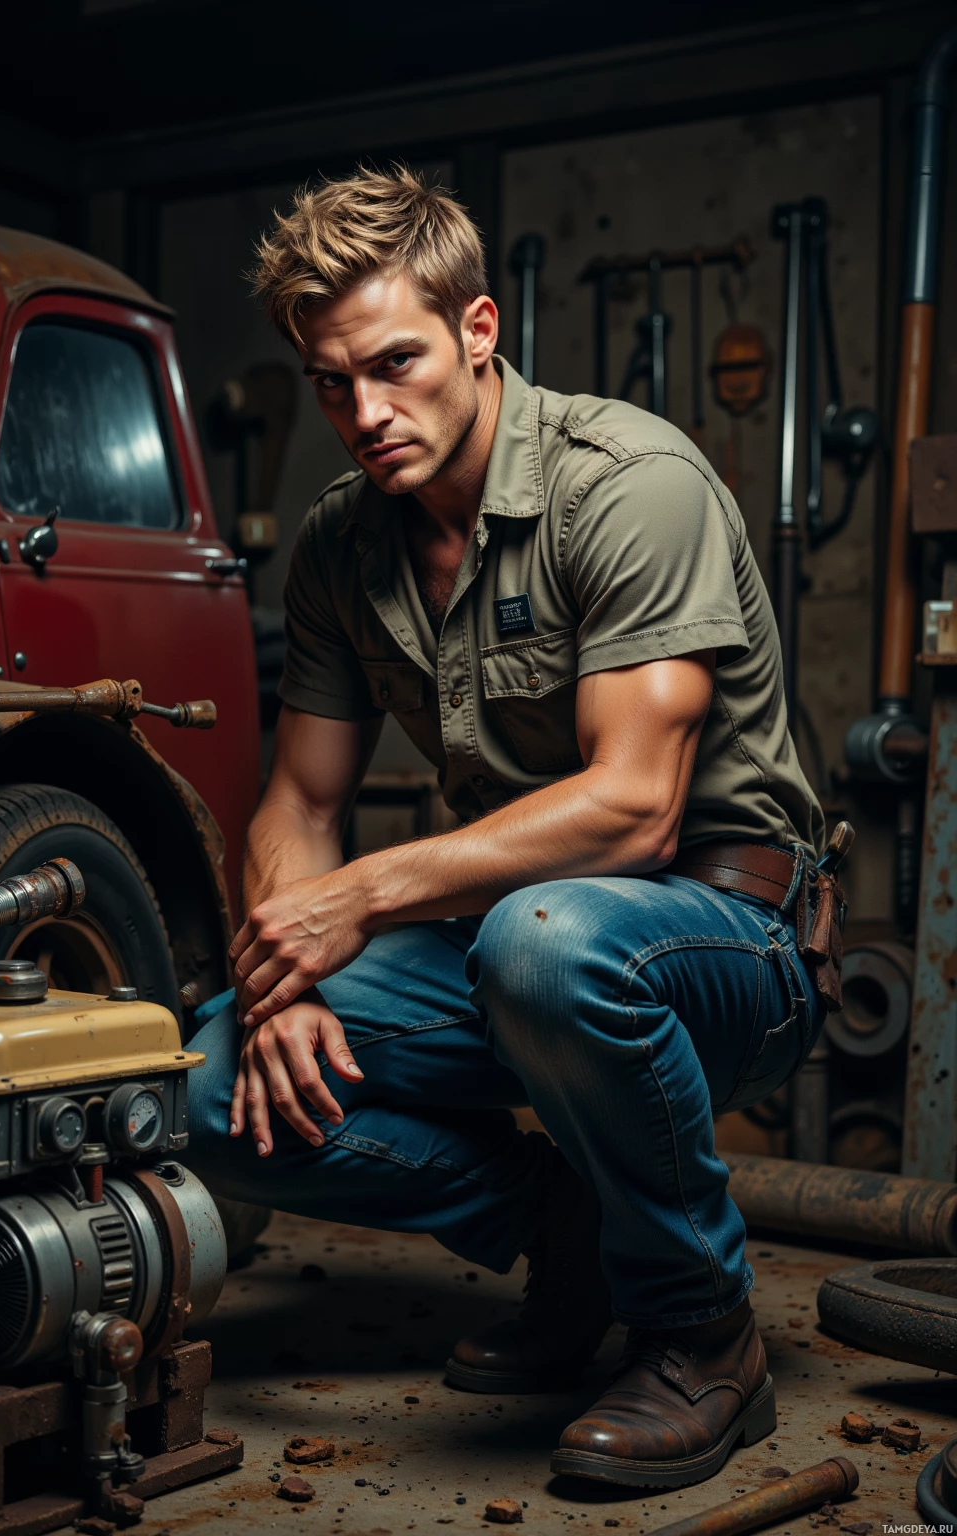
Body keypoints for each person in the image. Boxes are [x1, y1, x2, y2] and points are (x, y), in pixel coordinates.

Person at [185, 166, 846, 1491]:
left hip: (731, 945)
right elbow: (299, 802)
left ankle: (705, 1334)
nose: (365, 414)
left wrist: (358, 900)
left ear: (479, 331)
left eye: (396, 363)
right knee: (205, 1087)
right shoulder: (340, 548)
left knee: (547, 945)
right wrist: (280, 992)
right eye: (330, 382)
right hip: (515, 941)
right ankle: (572, 1229)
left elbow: (633, 809)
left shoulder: (629, 483)